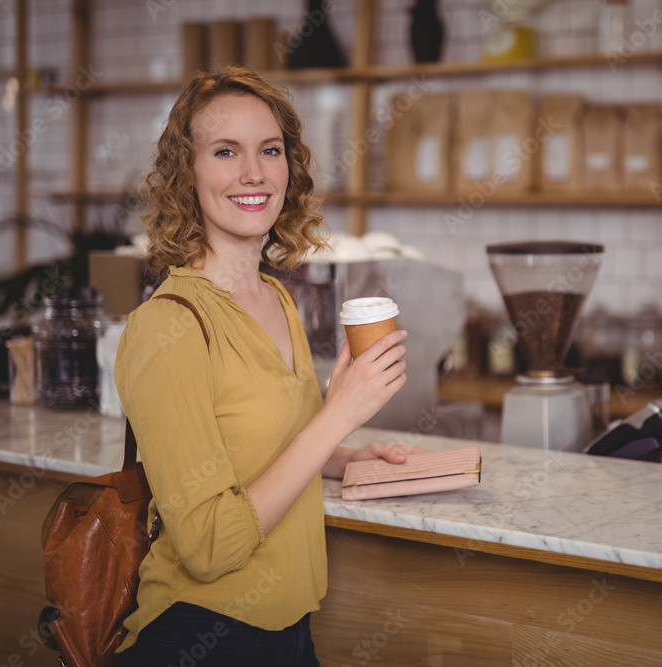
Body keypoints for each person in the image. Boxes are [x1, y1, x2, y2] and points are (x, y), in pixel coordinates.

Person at [113, 66, 419, 666]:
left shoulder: (277, 297)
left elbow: (269, 445)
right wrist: (339, 416)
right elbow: (205, 546)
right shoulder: (168, 327)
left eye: (270, 150)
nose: (253, 172)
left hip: (291, 628)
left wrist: (347, 459)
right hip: (202, 634)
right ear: (187, 172)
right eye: (226, 151)